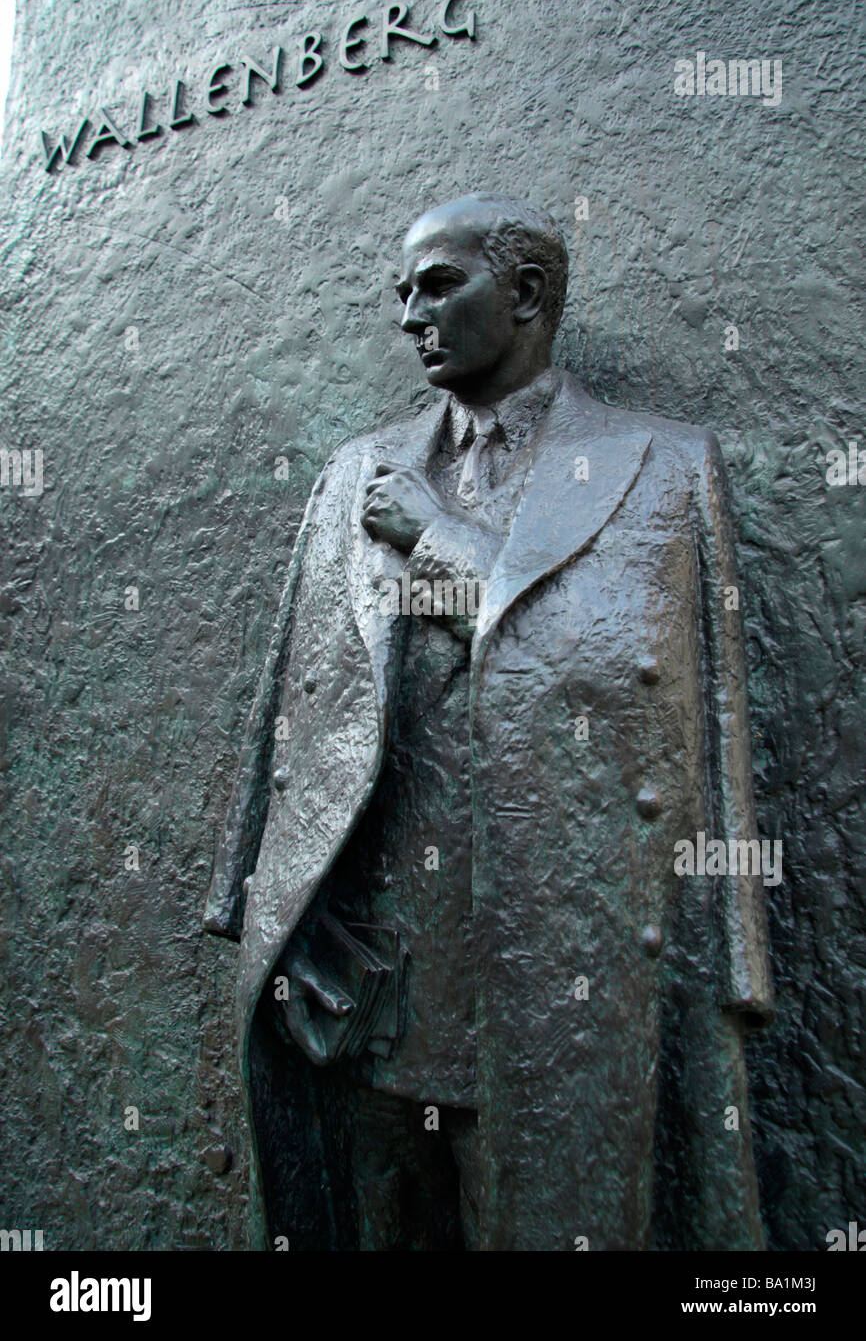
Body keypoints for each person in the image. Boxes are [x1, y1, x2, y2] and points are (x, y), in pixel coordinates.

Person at [205, 193, 774, 1251]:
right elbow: (299, 695)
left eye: (437, 285)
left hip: (555, 969)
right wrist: (256, 890)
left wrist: (444, 543)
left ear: (524, 294)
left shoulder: (656, 463)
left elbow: (625, 689)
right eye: (400, 294)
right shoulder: (353, 470)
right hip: (370, 985)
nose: (409, 317)